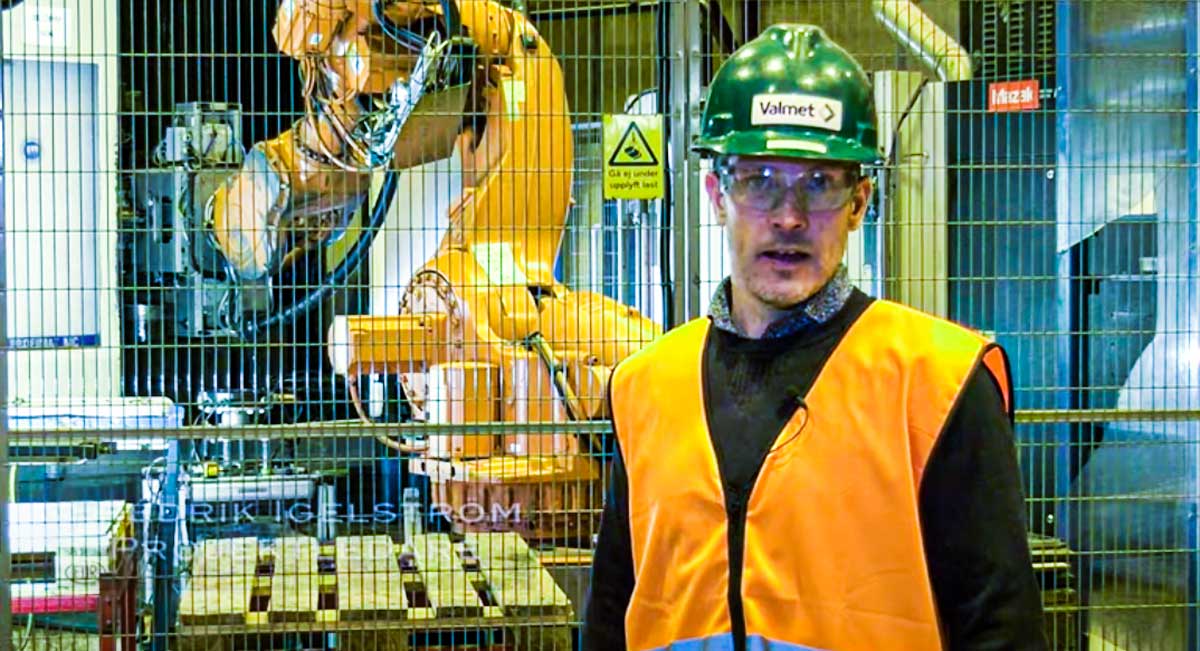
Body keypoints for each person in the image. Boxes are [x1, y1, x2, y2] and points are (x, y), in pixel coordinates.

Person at [582, 24, 1049, 651]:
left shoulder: (939, 386)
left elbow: (1002, 630)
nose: (789, 216)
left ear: (859, 203)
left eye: (819, 183)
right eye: (759, 179)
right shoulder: (644, 387)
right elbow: (612, 613)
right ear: (716, 194)